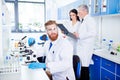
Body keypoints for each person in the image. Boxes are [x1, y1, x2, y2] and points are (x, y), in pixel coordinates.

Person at [73, 4, 97, 80]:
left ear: (85, 11)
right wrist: (76, 35)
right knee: (82, 69)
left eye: (79, 12)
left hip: (86, 49)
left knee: (84, 69)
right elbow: (82, 34)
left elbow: (93, 32)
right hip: (82, 48)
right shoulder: (84, 21)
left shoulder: (90, 20)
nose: (78, 14)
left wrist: (80, 35)